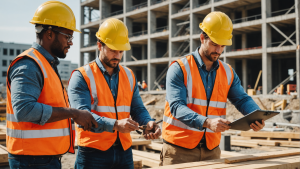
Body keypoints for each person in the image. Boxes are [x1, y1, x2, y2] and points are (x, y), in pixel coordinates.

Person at [160, 11, 265, 166]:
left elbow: (242, 99)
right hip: (179, 150)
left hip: (212, 150)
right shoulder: (180, 68)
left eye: (222, 46)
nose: (218, 50)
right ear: (202, 38)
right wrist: (207, 122)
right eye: (215, 44)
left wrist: (255, 115)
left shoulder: (228, 72)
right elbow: (176, 107)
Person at [6, 1, 98, 168]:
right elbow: (24, 110)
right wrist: (73, 113)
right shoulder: (29, 65)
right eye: (68, 36)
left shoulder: (46, 64)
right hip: (31, 161)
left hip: (43, 159)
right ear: (49, 34)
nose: (70, 42)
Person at [68, 18, 161, 169]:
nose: (117, 56)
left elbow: (137, 108)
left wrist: (148, 122)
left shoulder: (129, 75)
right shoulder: (82, 76)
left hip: (124, 152)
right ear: (100, 45)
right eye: (112, 50)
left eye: (121, 51)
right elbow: (82, 117)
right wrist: (116, 125)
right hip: (93, 153)